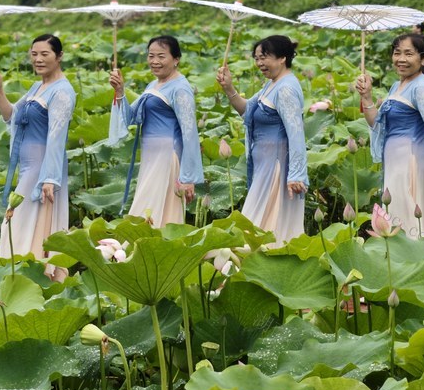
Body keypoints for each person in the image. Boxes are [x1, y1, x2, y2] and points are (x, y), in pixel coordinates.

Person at [354, 33, 424, 239]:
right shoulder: (396, 86)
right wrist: (367, 96)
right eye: (397, 53)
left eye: (408, 54)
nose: (401, 59)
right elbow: (378, 125)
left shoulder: (421, 86)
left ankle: (416, 258)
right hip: (394, 161)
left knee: (409, 213)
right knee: (397, 212)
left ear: (423, 59)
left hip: (410, 160)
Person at [0, 34, 76, 281]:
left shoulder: (63, 91)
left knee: (19, 224)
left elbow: (57, 136)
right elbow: (11, 116)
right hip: (28, 169)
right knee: (17, 225)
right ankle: (19, 278)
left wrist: (50, 178)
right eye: (34, 54)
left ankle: (37, 278)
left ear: (59, 57)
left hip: (43, 170)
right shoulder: (38, 87)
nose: (38, 59)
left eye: (45, 54)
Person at [216, 35, 308, 244]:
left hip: (276, 168)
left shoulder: (285, 89)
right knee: (257, 223)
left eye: (264, 57)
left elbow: (296, 134)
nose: (259, 63)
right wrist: (228, 88)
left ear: (282, 57)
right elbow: (247, 110)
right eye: (257, 58)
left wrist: (296, 174)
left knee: (260, 224)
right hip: (264, 165)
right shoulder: (272, 85)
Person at [109, 35, 203, 226]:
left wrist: (188, 177)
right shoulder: (154, 84)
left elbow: (190, 133)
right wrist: (120, 92)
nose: (154, 61)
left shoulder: (180, 89)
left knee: (156, 208)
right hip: (151, 157)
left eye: (161, 56)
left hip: (168, 156)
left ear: (176, 59)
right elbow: (130, 117)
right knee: (147, 207)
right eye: (151, 56)